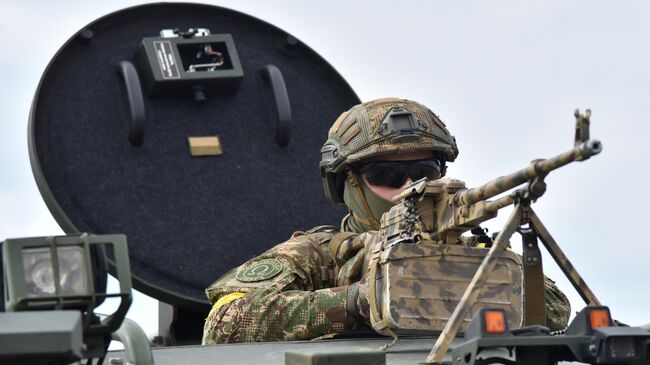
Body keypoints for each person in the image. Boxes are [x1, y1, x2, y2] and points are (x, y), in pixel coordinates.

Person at [202, 98, 570, 344]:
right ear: (346, 182)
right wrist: (360, 301)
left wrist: (452, 281)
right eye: (388, 174)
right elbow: (224, 321)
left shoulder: (468, 248)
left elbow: (555, 307)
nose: (410, 186)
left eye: (424, 171)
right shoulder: (318, 255)